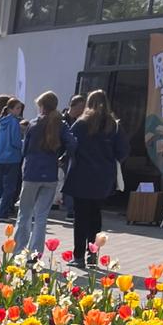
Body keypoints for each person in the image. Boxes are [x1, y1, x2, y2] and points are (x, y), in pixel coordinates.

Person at [64, 89, 130, 266]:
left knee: (81, 217)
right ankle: (92, 253)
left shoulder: (81, 124)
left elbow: (70, 146)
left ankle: (78, 257)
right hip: (103, 177)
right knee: (96, 215)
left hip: (81, 175)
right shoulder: (114, 126)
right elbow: (123, 151)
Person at [13, 91, 75, 256]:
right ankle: (36, 253)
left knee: (24, 214)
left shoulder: (33, 124)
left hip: (32, 173)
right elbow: (73, 144)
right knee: (41, 217)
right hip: (50, 174)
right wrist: (63, 157)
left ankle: (18, 251)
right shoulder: (60, 125)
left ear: (41, 106)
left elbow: (25, 150)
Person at [0, 100, 25, 219]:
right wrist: (24, 144)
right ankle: (2, 211)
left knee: (0, 187)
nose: (19, 111)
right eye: (17, 108)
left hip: (0, 158)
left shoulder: (1, 122)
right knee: (10, 187)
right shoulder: (14, 122)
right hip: (12, 157)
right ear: (10, 109)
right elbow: (15, 141)